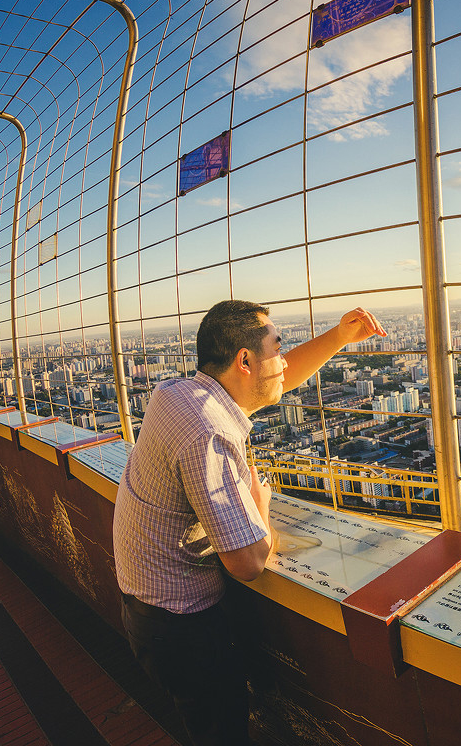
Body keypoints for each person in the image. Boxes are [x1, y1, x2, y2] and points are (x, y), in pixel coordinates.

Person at [113, 300, 386, 746]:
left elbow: (273, 381)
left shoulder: (178, 395)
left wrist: (338, 338)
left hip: (147, 611)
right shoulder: (209, 431)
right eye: (277, 348)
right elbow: (247, 562)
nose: (283, 360)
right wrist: (260, 508)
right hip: (181, 629)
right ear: (244, 360)